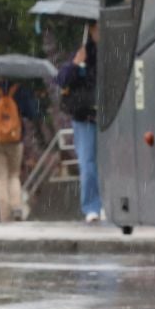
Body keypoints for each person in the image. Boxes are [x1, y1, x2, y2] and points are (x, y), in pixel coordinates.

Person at [0, 77, 42, 223]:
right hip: (15, 140)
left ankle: (5, 215)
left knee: (0, 178)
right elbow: (32, 113)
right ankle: (17, 207)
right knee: (13, 176)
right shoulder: (20, 91)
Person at [57, 22, 103, 223]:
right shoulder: (82, 53)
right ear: (90, 30)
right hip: (84, 118)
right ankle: (92, 206)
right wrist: (76, 64)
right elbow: (62, 79)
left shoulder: (114, 51)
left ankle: (108, 204)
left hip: (107, 116)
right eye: (96, 28)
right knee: (88, 163)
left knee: (107, 164)